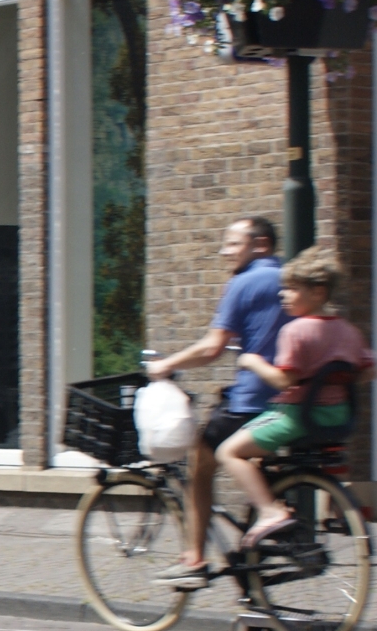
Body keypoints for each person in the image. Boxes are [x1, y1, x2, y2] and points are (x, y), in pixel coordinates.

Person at [144, 217, 287, 588]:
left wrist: (166, 365)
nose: (224, 251)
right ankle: (254, 586)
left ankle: (194, 560)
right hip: (292, 401)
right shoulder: (290, 278)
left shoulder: (243, 283)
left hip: (253, 400)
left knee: (201, 461)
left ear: (260, 245)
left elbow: (212, 348)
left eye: (233, 244)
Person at [216, 246, 373, 546]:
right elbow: (367, 370)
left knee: (229, 452)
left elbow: (282, 379)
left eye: (292, 288)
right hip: (338, 416)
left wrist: (251, 361)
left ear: (318, 292)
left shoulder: (296, 331)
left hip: (297, 417)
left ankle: (269, 512)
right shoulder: (349, 331)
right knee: (270, 459)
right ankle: (336, 505)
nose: (283, 295)